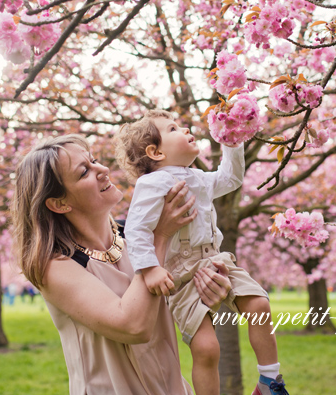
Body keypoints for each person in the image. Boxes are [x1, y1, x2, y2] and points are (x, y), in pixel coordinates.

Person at [10, 134, 232, 395]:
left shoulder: (133, 238)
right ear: (59, 203)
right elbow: (133, 326)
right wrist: (158, 238)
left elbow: (176, 300)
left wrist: (207, 290)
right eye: (84, 172)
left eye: (93, 161)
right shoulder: (56, 266)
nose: (102, 170)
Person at [115, 110, 288, 395]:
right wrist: (150, 268)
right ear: (155, 152)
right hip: (181, 275)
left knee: (259, 306)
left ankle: (269, 382)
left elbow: (231, 179)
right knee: (206, 348)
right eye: (173, 129)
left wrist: (232, 142)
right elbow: (136, 230)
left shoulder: (198, 177)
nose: (184, 129)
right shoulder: (152, 184)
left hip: (216, 258)